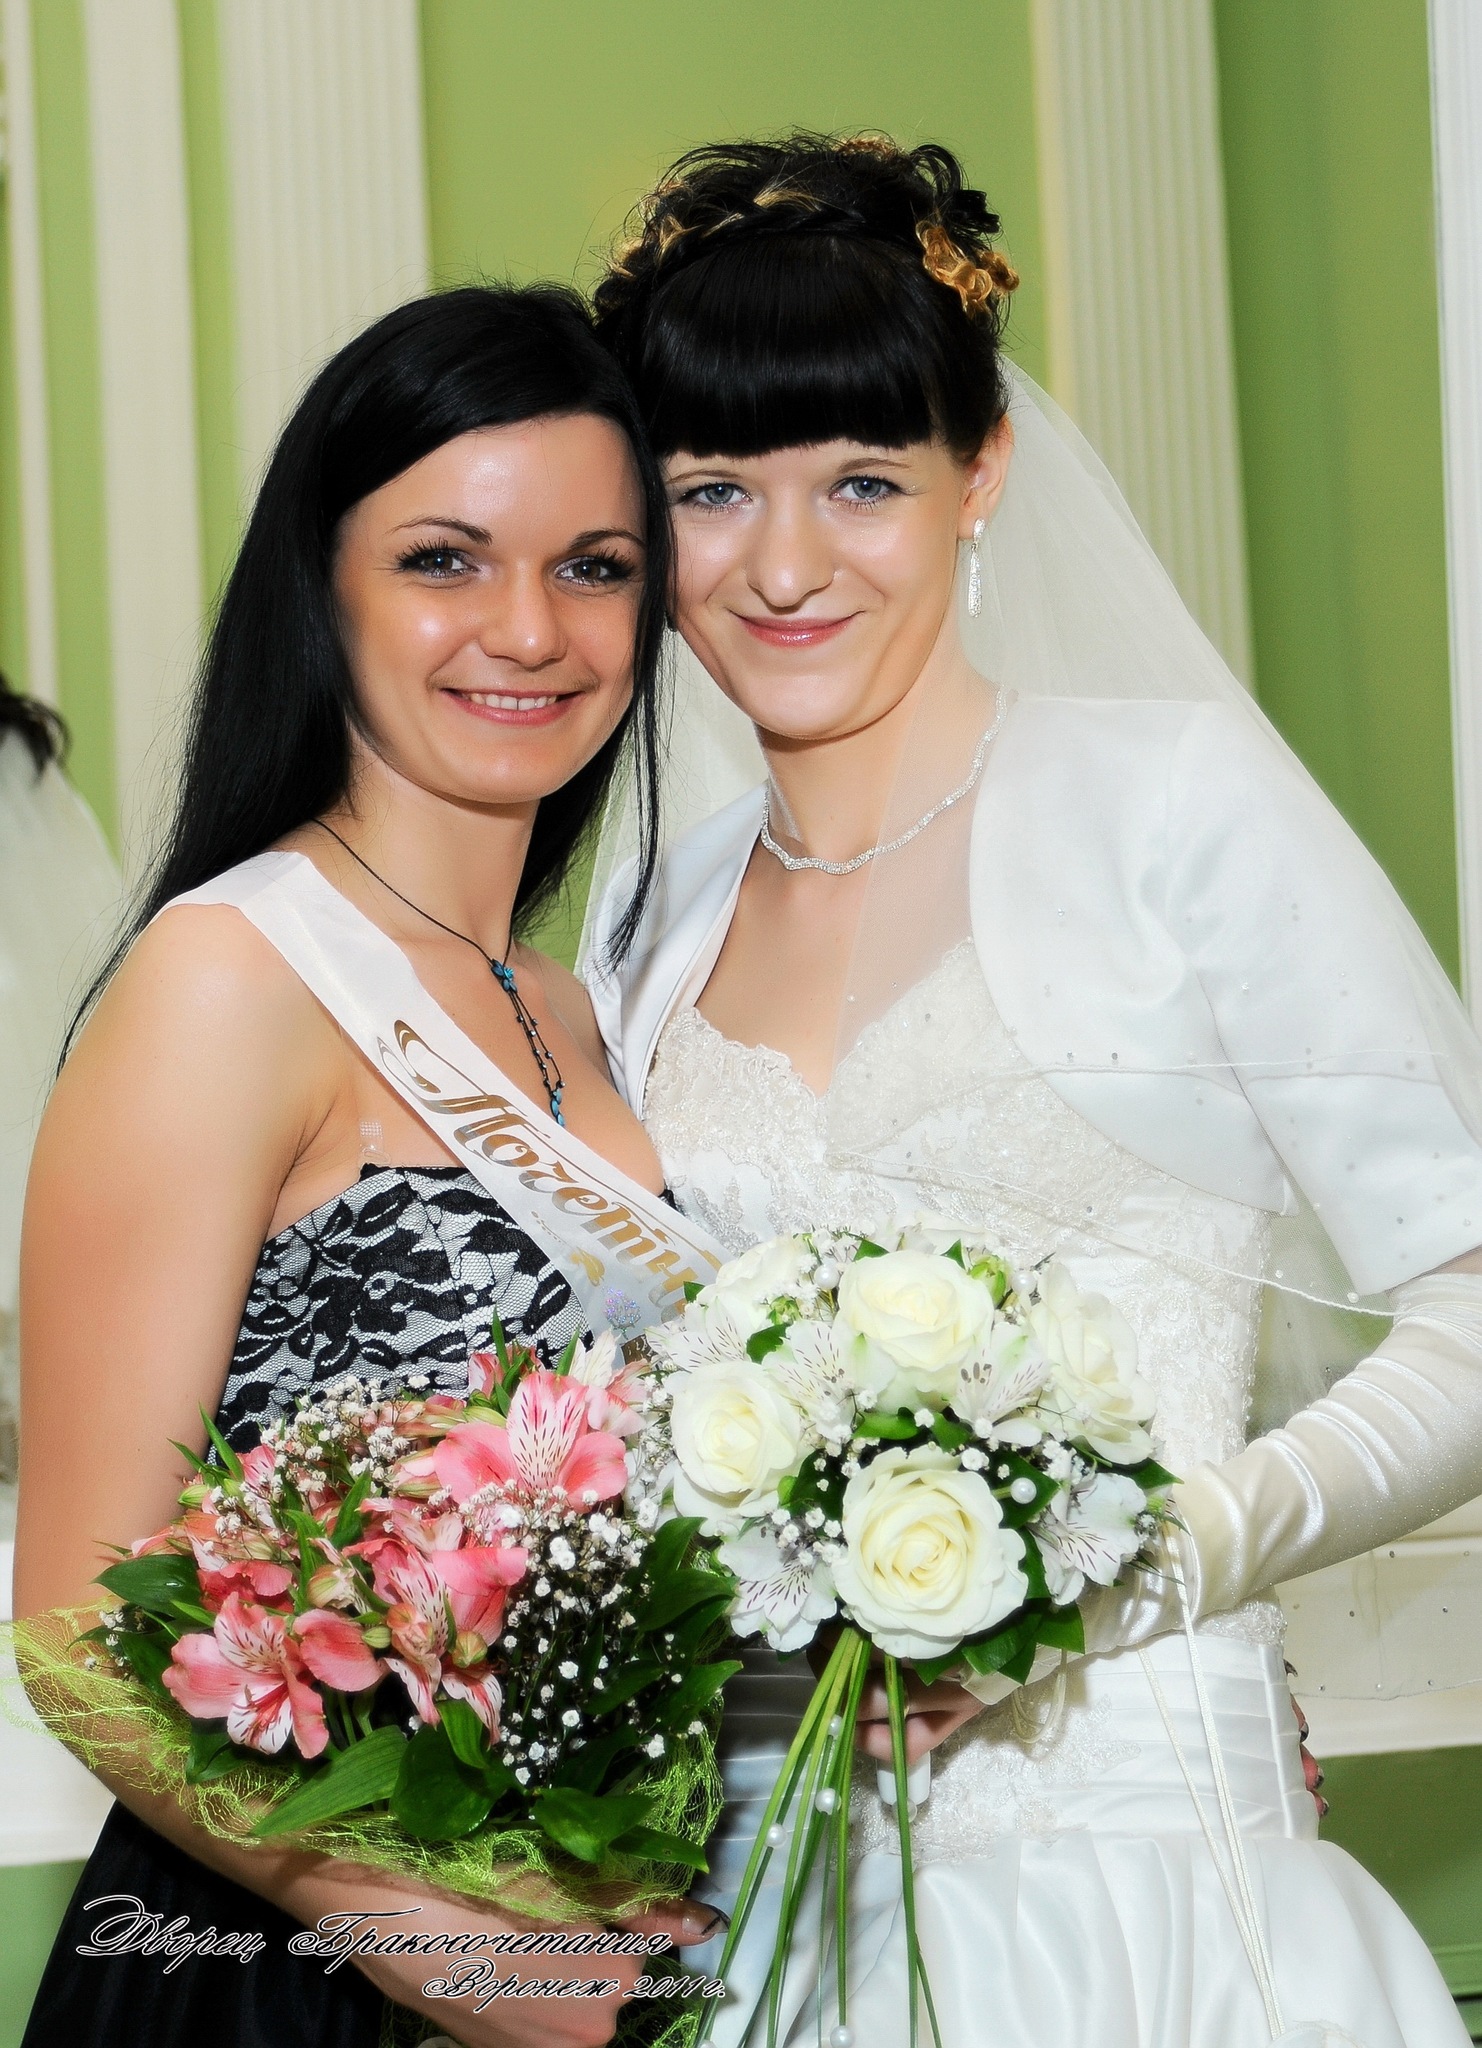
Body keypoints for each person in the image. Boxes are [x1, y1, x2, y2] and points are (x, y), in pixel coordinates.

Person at [586, 134, 1482, 2045]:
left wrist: (1122, 1584)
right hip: (759, 1899)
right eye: (713, 492)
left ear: (980, 473)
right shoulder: (644, 924)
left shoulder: (1170, 806)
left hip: (1147, 1873)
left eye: (862, 481)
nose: (784, 565)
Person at [14, 285, 724, 2048]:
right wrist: (470, 1959)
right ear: (320, 588)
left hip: (598, 1939)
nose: (527, 630)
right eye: (441, 560)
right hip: (284, 1972)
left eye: (593, 568)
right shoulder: (233, 974)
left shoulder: (588, 1006)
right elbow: (76, 1632)